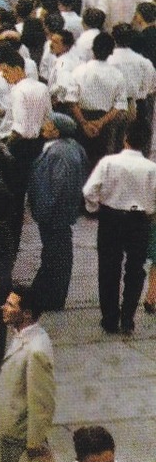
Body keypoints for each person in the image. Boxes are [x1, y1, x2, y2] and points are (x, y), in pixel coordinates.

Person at [82, 111, 156, 335]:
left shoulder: (108, 162)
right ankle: (128, 318)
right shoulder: (152, 169)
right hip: (139, 219)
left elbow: (89, 191)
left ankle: (110, 318)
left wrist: (96, 208)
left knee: (108, 268)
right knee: (135, 270)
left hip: (111, 217)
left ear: (125, 138)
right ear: (145, 143)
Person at [0, 283, 55, 462]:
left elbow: (43, 402)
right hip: (8, 432)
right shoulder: (22, 336)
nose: (3, 307)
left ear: (26, 314)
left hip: (18, 438)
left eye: (10, 305)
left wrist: (34, 443)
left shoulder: (36, 351)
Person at [30, 112, 87, 310]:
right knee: (57, 255)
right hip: (61, 213)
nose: (43, 126)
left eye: (48, 123)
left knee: (55, 257)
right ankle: (52, 296)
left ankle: (50, 298)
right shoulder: (73, 147)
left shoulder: (58, 153)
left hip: (54, 215)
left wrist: (43, 213)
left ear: (57, 130)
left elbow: (57, 187)